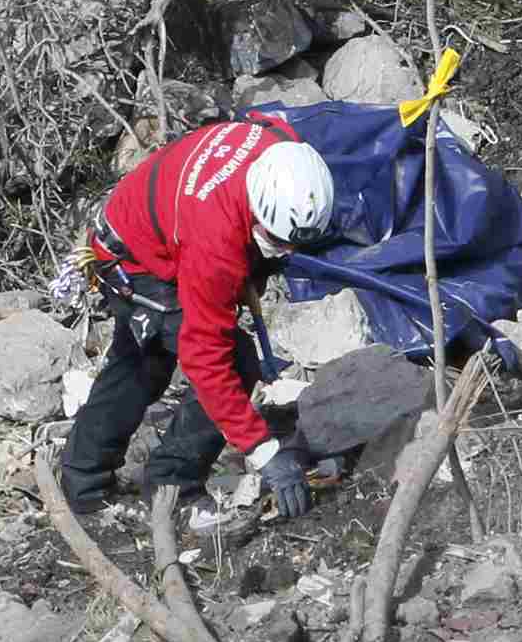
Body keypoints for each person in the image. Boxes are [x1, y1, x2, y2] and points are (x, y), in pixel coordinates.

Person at [58, 114, 336, 520]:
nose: (287, 254)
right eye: (278, 242)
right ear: (256, 210)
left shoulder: (281, 147)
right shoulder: (216, 245)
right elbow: (206, 358)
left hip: (147, 219)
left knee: (139, 360)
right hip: (133, 259)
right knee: (225, 361)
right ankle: (173, 484)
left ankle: (83, 479)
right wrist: (263, 451)